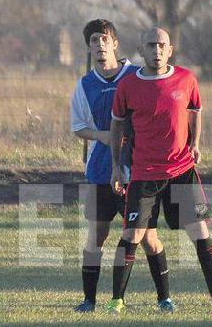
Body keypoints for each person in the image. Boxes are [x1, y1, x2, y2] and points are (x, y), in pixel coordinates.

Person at [105, 28, 212, 315]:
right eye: (151, 45)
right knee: (134, 235)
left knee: (200, 232)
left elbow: (195, 110)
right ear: (142, 49)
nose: (157, 50)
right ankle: (117, 300)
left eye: (162, 45)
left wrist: (196, 143)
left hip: (182, 171)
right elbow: (116, 125)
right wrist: (116, 165)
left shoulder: (186, 78)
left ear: (170, 49)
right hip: (144, 174)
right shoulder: (128, 86)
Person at [69, 19, 171, 313]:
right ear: (88, 48)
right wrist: (100, 134)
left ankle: (164, 298)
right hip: (100, 171)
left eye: (104, 40)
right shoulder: (85, 85)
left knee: (148, 237)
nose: (99, 46)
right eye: (93, 41)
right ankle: (89, 300)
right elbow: (78, 127)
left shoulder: (137, 75)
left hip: (138, 171)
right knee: (97, 235)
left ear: (115, 44)